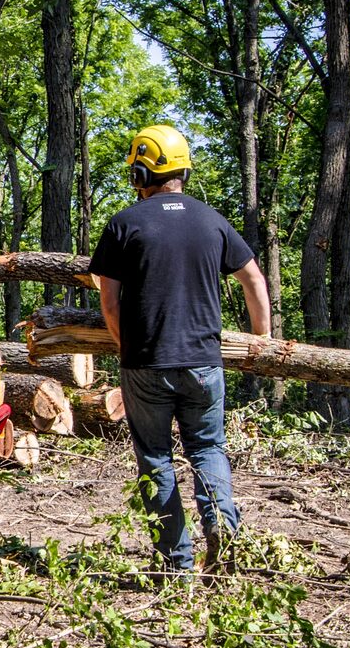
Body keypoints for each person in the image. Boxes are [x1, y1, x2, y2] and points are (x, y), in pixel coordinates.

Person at [88, 124, 272, 577]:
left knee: (155, 457)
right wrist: (261, 339)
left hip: (146, 363)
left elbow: (108, 300)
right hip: (204, 362)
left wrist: (124, 342)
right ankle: (221, 528)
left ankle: (176, 564)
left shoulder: (124, 224)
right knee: (208, 447)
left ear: (141, 171)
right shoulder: (213, 221)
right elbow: (254, 280)